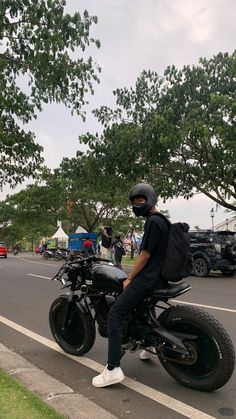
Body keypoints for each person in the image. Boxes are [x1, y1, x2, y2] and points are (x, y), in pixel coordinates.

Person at [92, 183, 169, 387]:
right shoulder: (163, 220)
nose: (137, 204)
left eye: (140, 200)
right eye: (135, 201)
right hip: (160, 277)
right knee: (145, 310)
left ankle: (112, 369)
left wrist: (130, 278)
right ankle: (148, 345)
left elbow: (144, 255)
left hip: (148, 278)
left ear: (150, 199)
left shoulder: (152, 222)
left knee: (115, 314)